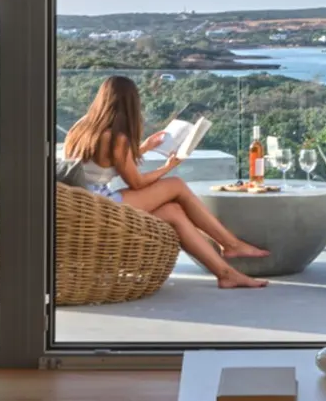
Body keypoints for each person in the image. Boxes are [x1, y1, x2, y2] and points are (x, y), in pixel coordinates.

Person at [62, 76, 270, 289]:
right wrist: (169, 166)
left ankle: (226, 273)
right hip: (100, 206)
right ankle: (230, 243)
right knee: (175, 184)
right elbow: (137, 183)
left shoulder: (81, 127)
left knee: (173, 212)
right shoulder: (117, 138)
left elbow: (100, 162)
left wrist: (145, 147)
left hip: (83, 202)